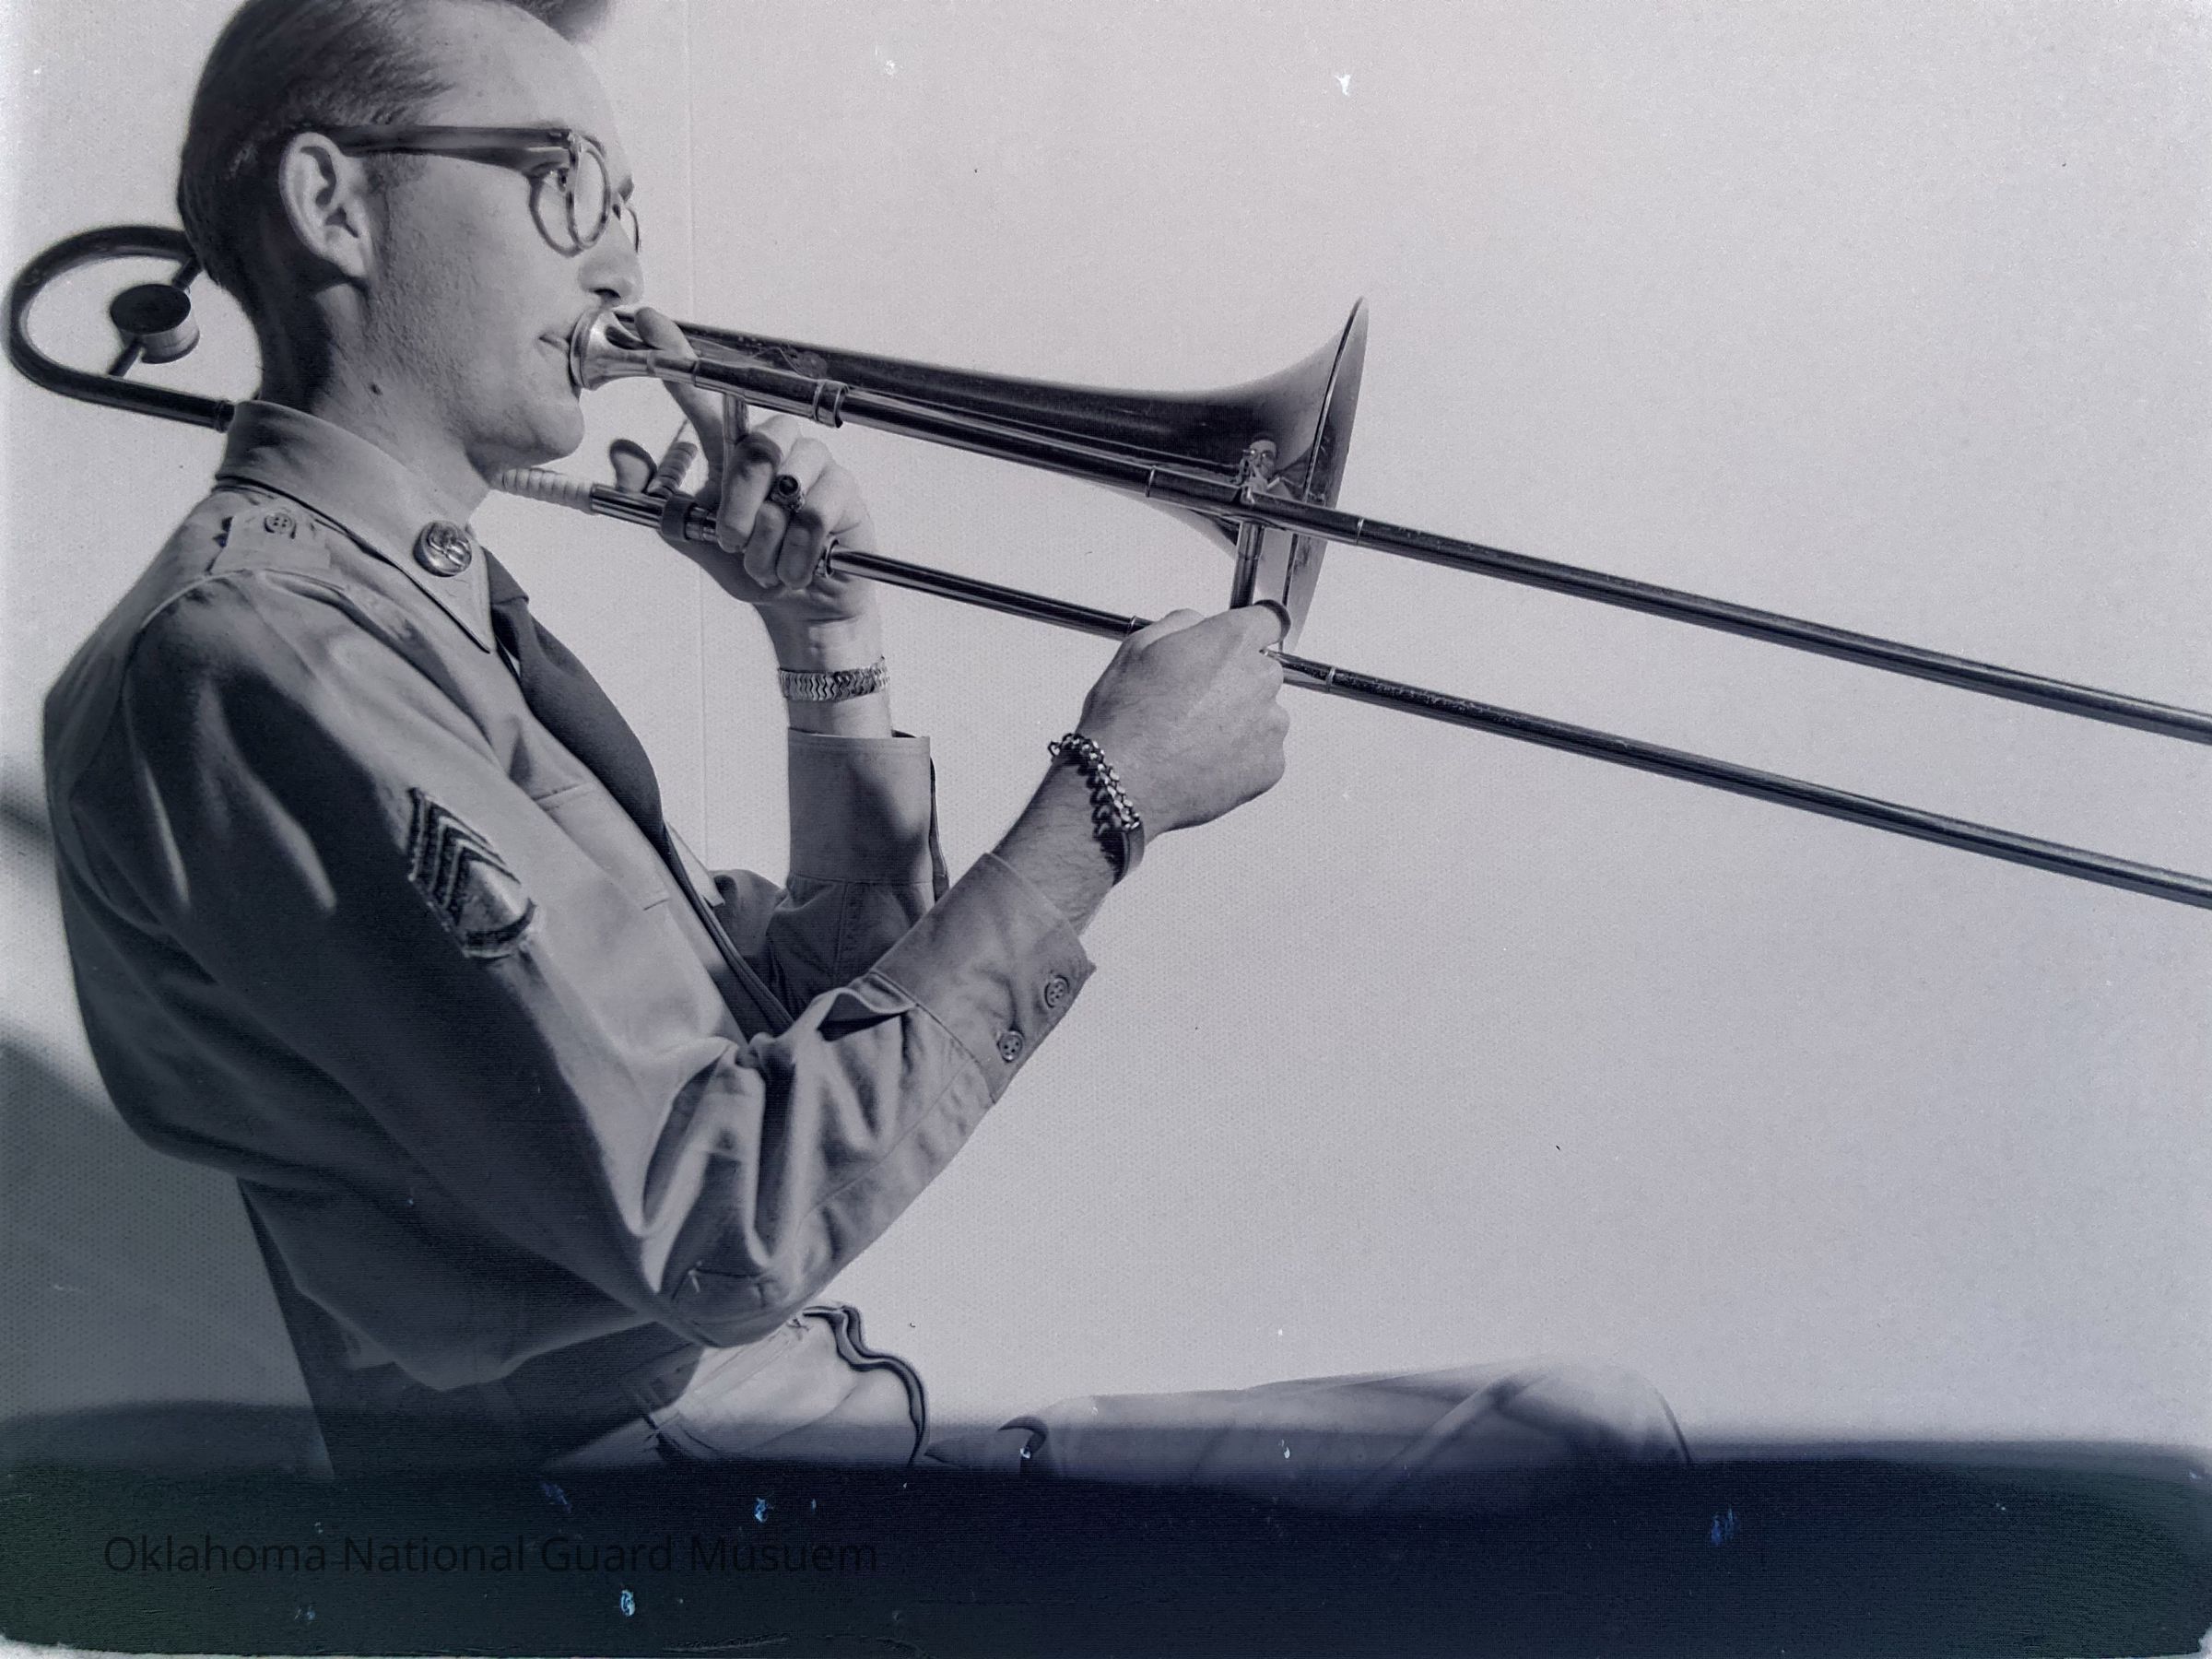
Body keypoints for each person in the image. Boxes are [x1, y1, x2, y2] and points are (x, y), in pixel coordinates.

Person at [42, 0, 1687, 1502]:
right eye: (564, 185)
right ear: (333, 205)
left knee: (1567, 1439)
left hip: (820, 1478)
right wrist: (1103, 808)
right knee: (1574, 1471)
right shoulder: (268, 661)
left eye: (628, 206)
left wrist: (828, 651)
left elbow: (792, 1039)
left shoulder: (404, 626)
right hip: (700, 1551)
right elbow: (719, 1218)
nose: (623, 272)